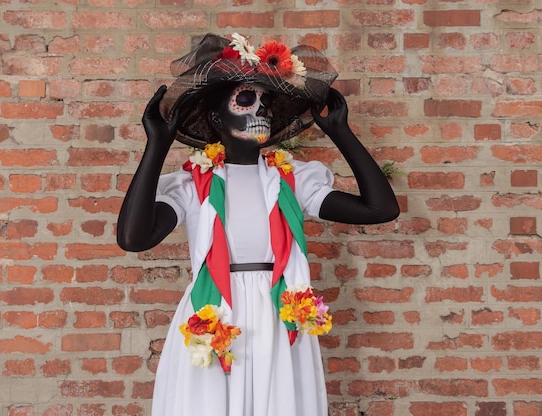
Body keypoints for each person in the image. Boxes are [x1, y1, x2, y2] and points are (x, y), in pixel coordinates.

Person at [117, 33, 399, 416]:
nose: (261, 111)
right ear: (217, 118)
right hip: (214, 312)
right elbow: (133, 238)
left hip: (277, 313)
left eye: (266, 103)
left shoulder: (291, 180)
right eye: (247, 100)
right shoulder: (192, 182)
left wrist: (341, 133)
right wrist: (157, 146)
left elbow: (379, 209)